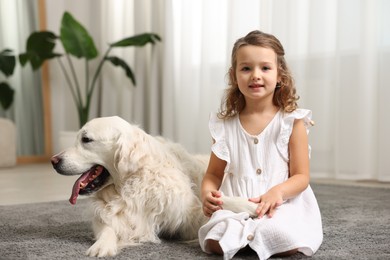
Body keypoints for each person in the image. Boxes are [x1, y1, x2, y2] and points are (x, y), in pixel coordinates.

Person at [198, 30, 323, 260]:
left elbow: (301, 177)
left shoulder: (291, 122)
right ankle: (248, 236)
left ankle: (260, 237)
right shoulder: (224, 126)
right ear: (234, 76)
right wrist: (207, 193)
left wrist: (277, 192)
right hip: (238, 205)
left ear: (280, 75)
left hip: (280, 204)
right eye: (246, 68)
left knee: (281, 235)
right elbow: (213, 174)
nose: (255, 75)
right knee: (214, 239)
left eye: (265, 68)